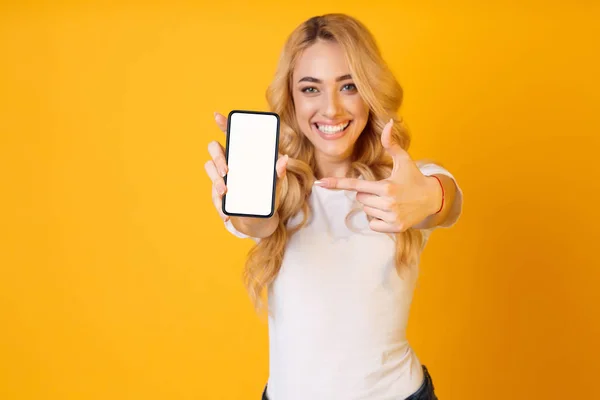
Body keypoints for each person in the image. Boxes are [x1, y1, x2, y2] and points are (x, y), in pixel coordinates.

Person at [204, 13, 463, 400]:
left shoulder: (401, 181)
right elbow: (254, 225)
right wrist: (244, 202)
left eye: (349, 86)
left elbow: (448, 200)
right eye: (311, 89)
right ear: (290, 98)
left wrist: (429, 197)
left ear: (370, 91)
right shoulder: (272, 186)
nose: (331, 109)